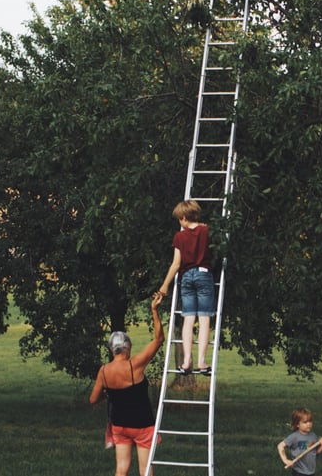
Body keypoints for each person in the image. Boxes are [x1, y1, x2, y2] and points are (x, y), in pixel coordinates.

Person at [89, 294, 165, 476]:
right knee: (145, 469)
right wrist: (154, 310)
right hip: (142, 425)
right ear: (128, 347)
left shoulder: (104, 371)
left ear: (111, 349)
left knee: (121, 469)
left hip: (119, 425)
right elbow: (159, 339)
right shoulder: (135, 365)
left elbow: (93, 399)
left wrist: (106, 394)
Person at [157, 199, 215, 375]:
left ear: (183, 217)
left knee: (188, 320)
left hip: (186, 277)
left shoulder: (179, 236)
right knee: (204, 319)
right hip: (204, 274)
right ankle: (202, 361)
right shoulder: (206, 231)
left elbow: (175, 264)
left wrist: (164, 286)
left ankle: (187, 359)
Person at [277, 408, 322, 476]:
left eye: (310, 421)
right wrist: (285, 460)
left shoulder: (313, 436)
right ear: (297, 424)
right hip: (299, 472)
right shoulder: (294, 437)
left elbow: (315, 453)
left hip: (311, 472)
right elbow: (280, 446)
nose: (308, 424)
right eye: (305, 422)